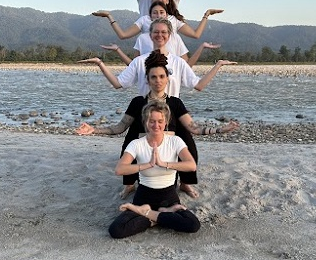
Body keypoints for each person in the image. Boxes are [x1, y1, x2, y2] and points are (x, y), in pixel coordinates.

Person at [75, 50, 239, 199]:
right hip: (145, 145)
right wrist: (93, 129)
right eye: (153, 77)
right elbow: (120, 127)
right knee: (130, 141)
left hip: (167, 147)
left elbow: (193, 127)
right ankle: (129, 185)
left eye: (161, 76)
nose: (158, 81)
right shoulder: (138, 102)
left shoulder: (175, 103)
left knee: (188, 144)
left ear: (167, 79)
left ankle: (185, 183)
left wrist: (220, 129)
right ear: (147, 80)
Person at [107, 101, 200, 238]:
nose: (156, 125)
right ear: (145, 122)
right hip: (144, 196)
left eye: (160, 121)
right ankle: (161, 216)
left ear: (166, 121)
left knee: (192, 225)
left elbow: (191, 165)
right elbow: (119, 169)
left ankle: (147, 213)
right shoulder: (136, 144)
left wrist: (164, 164)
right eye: (152, 121)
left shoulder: (175, 141)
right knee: (116, 230)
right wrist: (148, 165)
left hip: (168, 197)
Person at [78, 18, 237, 97]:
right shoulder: (140, 61)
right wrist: (100, 63)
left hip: (171, 115)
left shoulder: (178, 62)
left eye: (164, 32)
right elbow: (118, 84)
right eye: (156, 32)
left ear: (169, 35)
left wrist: (218, 65)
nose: (160, 35)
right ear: (150, 35)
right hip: (147, 115)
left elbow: (199, 85)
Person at [92, 0, 223, 65]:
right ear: (150, 16)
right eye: (155, 13)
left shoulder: (175, 37)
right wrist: (110, 17)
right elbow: (134, 65)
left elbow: (187, 65)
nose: (158, 15)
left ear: (167, 15)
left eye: (161, 12)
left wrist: (206, 15)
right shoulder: (143, 37)